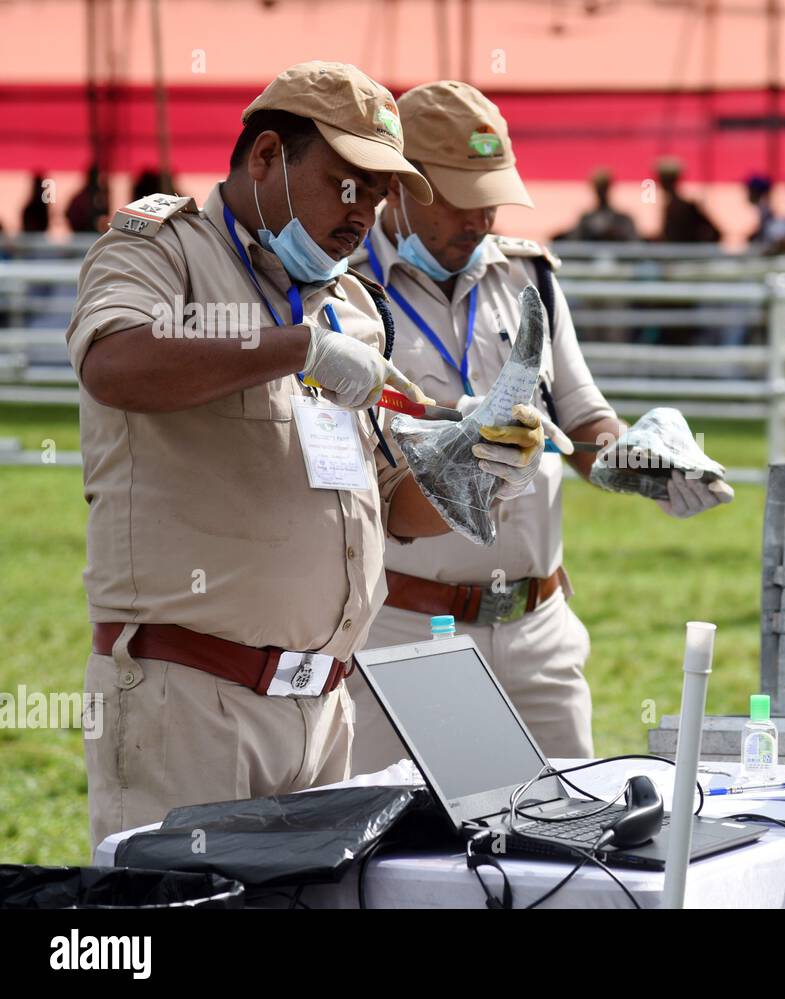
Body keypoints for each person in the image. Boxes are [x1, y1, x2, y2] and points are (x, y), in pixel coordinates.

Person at [66, 61, 545, 852]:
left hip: (325, 706)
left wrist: (479, 466)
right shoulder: (162, 247)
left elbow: (395, 509)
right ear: (264, 158)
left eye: (383, 191)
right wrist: (296, 347)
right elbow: (115, 364)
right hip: (189, 698)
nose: (368, 212)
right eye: (347, 183)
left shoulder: (350, 302)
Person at [348, 81, 736, 768]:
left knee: (566, 844)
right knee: (400, 851)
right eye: (464, 197)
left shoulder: (528, 275)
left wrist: (638, 458)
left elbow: (584, 416)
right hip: (403, 627)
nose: (485, 216)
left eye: (493, 193)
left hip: (538, 626)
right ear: (401, 186)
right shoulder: (346, 292)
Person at [557, 167, 639, 242]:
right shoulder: (585, 220)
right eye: (599, 187)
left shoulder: (623, 221)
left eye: (603, 187)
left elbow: (635, 245)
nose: (601, 191)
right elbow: (574, 243)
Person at [655, 156, 720, 243]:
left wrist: (696, 249)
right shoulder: (672, 206)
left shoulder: (686, 207)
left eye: (666, 179)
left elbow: (716, 233)